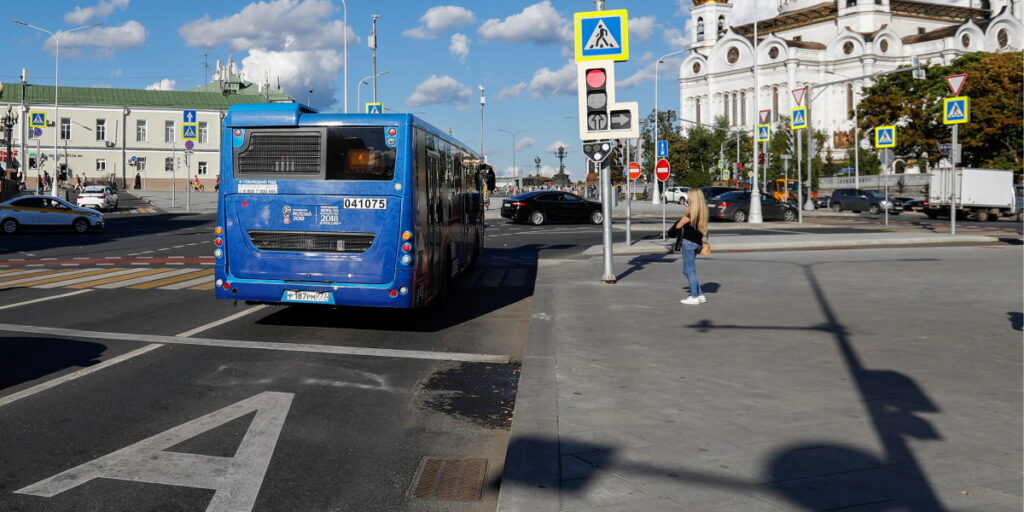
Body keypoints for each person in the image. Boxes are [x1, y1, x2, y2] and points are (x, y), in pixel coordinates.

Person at [673, 189, 709, 305]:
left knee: (690, 271)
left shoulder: (691, 214)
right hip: (696, 244)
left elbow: (677, 226)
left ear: (693, 199)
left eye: (689, 197)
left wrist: (686, 211)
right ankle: (700, 294)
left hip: (688, 244)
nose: (687, 199)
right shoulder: (702, 212)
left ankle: (694, 296)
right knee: (686, 270)